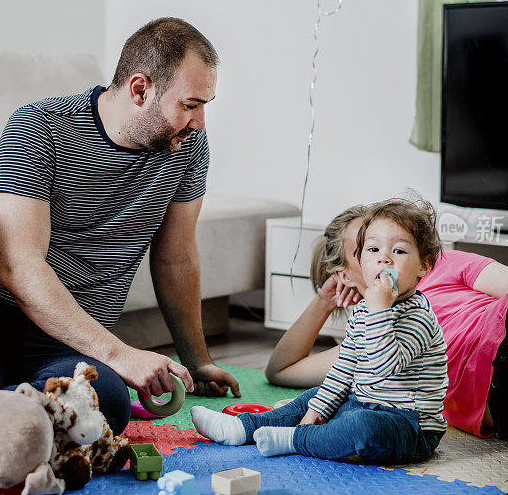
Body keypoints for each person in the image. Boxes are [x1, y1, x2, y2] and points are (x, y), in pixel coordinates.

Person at [0, 17, 240, 438]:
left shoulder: (188, 148)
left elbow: (177, 257)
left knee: (107, 401)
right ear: (139, 89)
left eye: (205, 104)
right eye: (190, 105)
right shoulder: (41, 126)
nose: (200, 121)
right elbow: (19, 269)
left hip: (61, 344)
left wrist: (198, 360)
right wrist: (122, 355)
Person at [264, 201, 508, 494]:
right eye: (368, 248)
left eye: (396, 246)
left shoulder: (441, 266)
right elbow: (281, 369)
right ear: (348, 274)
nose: (385, 254)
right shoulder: (368, 345)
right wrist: (324, 301)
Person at [190, 198, 448, 463]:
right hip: (365, 403)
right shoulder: (362, 312)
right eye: (372, 249)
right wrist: (316, 410)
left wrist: (379, 311)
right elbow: (343, 369)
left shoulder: (417, 317)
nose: (383, 258)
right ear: (353, 267)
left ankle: (294, 439)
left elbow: (383, 367)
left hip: (410, 426)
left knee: (363, 427)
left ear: (424, 266)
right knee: (314, 397)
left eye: (399, 251)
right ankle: (243, 427)